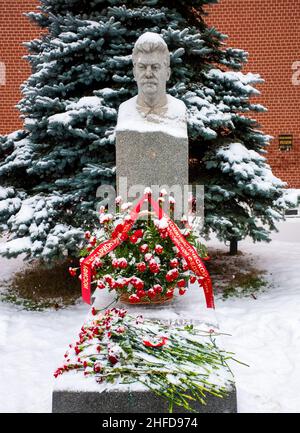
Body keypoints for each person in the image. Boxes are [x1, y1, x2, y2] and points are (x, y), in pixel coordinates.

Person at [116, 32, 187, 135]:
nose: (148, 74)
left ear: (167, 73)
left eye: (155, 67)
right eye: (142, 67)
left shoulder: (179, 110)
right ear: (134, 73)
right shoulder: (124, 111)